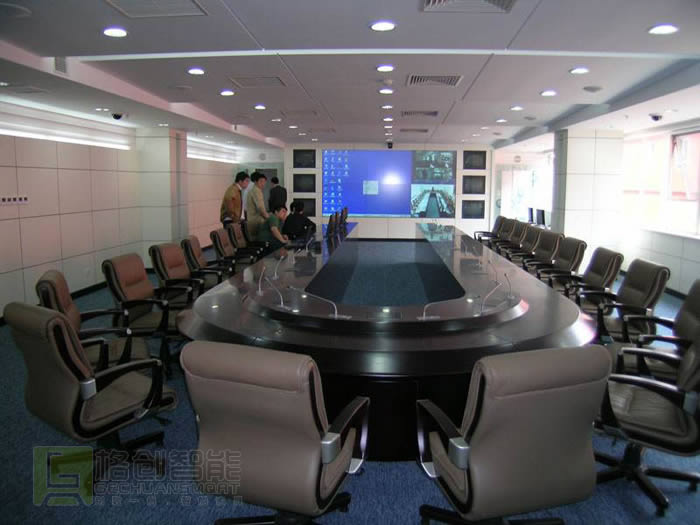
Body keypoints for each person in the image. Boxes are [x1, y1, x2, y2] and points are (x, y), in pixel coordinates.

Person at [245, 172, 269, 240]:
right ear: (255, 182)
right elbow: (260, 208)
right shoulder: (256, 191)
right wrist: (268, 218)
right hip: (256, 221)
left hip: (252, 220)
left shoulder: (253, 190)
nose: (263, 184)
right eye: (261, 181)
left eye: (264, 182)